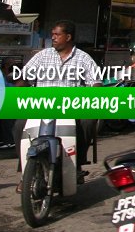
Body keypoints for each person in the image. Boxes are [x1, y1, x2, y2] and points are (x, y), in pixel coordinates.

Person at [20, 19, 101, 183]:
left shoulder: (83, 58)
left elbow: (96, 82)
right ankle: (26, 171)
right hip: (41, 105)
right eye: (53, 35)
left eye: (57, 34)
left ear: (68, 37)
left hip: (71, 107)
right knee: (18, 125)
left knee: (88, 121)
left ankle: (77, 164)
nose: (54, 38)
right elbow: (24, 77)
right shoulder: (42, 55)